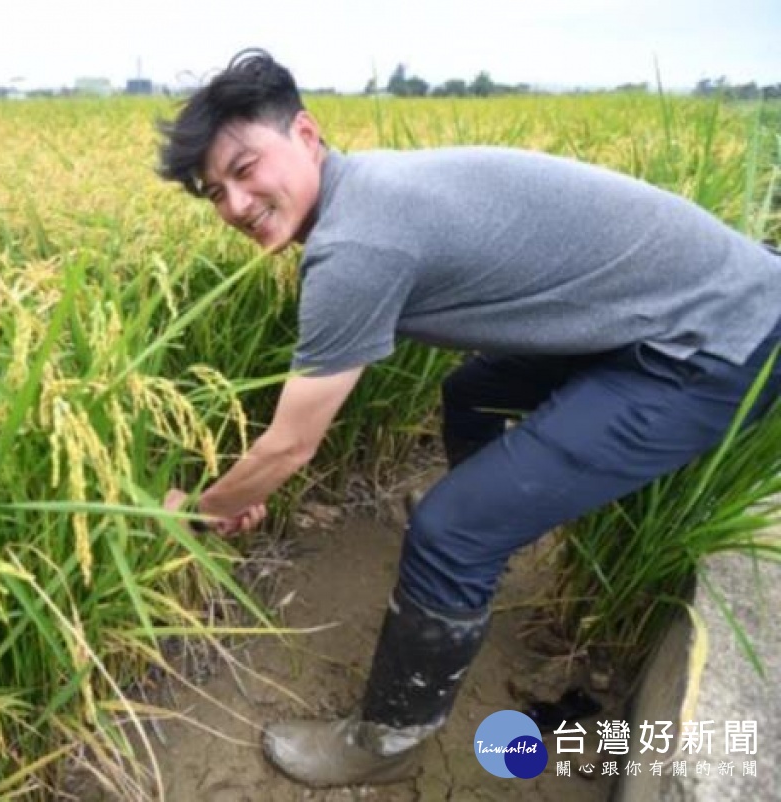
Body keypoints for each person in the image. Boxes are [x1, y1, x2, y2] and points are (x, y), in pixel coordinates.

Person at [157, 48, 781, 789]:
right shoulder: (368, 191)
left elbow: (290, 444)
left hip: (714, 346)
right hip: (679, 309)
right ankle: (481, 549)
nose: (233, 203)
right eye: (213, 191)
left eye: (245, 167)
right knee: (472, 397)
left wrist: (200, 511)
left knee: (450, 530)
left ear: (307, 135)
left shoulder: (357, 243)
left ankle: (386, 743)